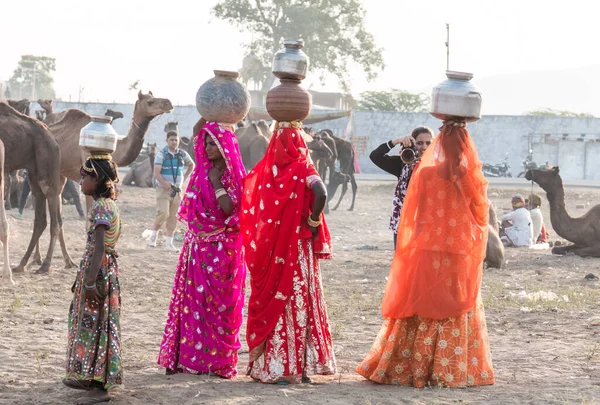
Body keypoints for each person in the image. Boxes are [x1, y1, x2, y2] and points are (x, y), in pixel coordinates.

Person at [357, 120, 495, 388]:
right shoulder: (470, 175)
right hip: (456, 250)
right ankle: (449, 365)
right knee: (451, 300)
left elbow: (414, 214)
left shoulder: (426, 174)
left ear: (438, 144)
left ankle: (414, 364)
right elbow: (480, 214)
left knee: (422, 299)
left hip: (426, 247)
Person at [242, 121, 335, 384]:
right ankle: (300, 367)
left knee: (275, 297)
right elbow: (321, 191)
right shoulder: (303, 166)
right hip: (298, 251)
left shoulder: (267, 171)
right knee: (299, 302)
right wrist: (314, 221)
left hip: (273, 249)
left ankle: (275, 366)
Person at [157, 121, 247, 379]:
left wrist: (217, 182)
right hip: (196, 249)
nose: (208, 148)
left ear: (224, 146)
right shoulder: (199, 173)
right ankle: (191, 360)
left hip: (223, 250)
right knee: (195, 307)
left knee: (221, 308)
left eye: (214, 143)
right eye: (206, 143)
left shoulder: (232, 175)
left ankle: (218, 362)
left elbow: (231, 209)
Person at [63, 155, 122, 404]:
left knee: (96, 324)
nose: (80, 181)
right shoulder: (108, 204)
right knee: (98, 323)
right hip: (104, 271)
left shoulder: (100, 207)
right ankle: (88, 375)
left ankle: (99, 388)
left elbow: (99, 248)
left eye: (85, 177)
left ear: (97, 179)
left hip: (98, 271)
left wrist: (89, 283)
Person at [369, 126, 434, 247]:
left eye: (428, 143)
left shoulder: (437, 167)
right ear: (413, 144)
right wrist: (397, 141)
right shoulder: (402, 164)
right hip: (404, 223)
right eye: (419, 143)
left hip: (429, 224)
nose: (424, 147)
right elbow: (375, 156)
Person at [150, 130, 194, 251]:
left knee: (173, 216)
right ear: (167, 140)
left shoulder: (182, 154)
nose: (174, 142)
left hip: (177, 190)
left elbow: (191, 165)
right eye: (171, 140)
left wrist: (184, 178)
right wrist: (166, 184)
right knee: (163, 213)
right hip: (163, 189)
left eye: (176, 140)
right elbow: (156, 173)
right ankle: (153, 236)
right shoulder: (161, 155)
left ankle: (169, 243)